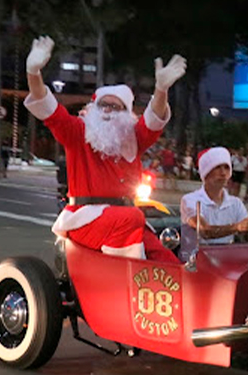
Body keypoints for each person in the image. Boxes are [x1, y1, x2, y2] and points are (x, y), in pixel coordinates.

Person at [23, 35, 186, 261]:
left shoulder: (133, 138)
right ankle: (122, 283)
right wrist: (33, 73)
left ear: (127, 114)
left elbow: (154, 118)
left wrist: (160, 89)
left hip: (126, 220)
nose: (108, 111)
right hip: (85, 219)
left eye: (116, 107)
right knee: (132, 218)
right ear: (93, 108)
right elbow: (47, 107)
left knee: (169, 262)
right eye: (103, 105)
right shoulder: (78, 132)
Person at [179, 146, 248, 262]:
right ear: (206, 172)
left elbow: (247, 236)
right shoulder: (190, 200)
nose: (223, 173)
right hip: (194, 265)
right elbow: (204, 230)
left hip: (225, 263)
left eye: (226, 168)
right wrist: (236, 227)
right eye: (217, 168)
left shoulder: (236, 204)